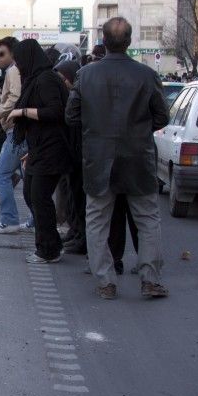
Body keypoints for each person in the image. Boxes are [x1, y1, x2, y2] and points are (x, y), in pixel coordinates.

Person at [65, 17, 169, 299]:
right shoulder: (146, 75)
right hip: (138, 158)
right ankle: (150, 280)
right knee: (147, 220)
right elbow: (162, 116)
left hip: (98, 160)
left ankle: (105, 282)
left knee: (97, 222)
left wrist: (96, 130)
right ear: (130, 41)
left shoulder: (86, 75)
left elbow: (71, 116)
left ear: (104, 41)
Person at [6, 38, 71, 265]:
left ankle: (48, 250)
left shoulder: (46, 80)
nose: (17, 66)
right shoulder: (35, 80)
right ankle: (51, 243)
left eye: (19, 61)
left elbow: (55, 111)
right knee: (31, 194)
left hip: (52, 147)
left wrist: (22, 112)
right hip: (40, 147)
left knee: (39, 197)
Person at [0, 36, 32, 231]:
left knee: (1, 174)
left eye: (1, 53)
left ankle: (9, 220)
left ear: (13, 53)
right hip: (26, 129)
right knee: (28, 179)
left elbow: (14, 97)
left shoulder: (14, 70)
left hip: (16, 130)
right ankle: (35, 221)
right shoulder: (24, 69)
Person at [53, 59, 86, 255]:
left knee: (79, 197)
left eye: (63, 78)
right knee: (72, 197)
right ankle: (75, 231)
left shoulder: (78, 96)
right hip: (71, 153)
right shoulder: (69, 95)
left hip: (79, 154)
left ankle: (81, 237)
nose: (62, 82)